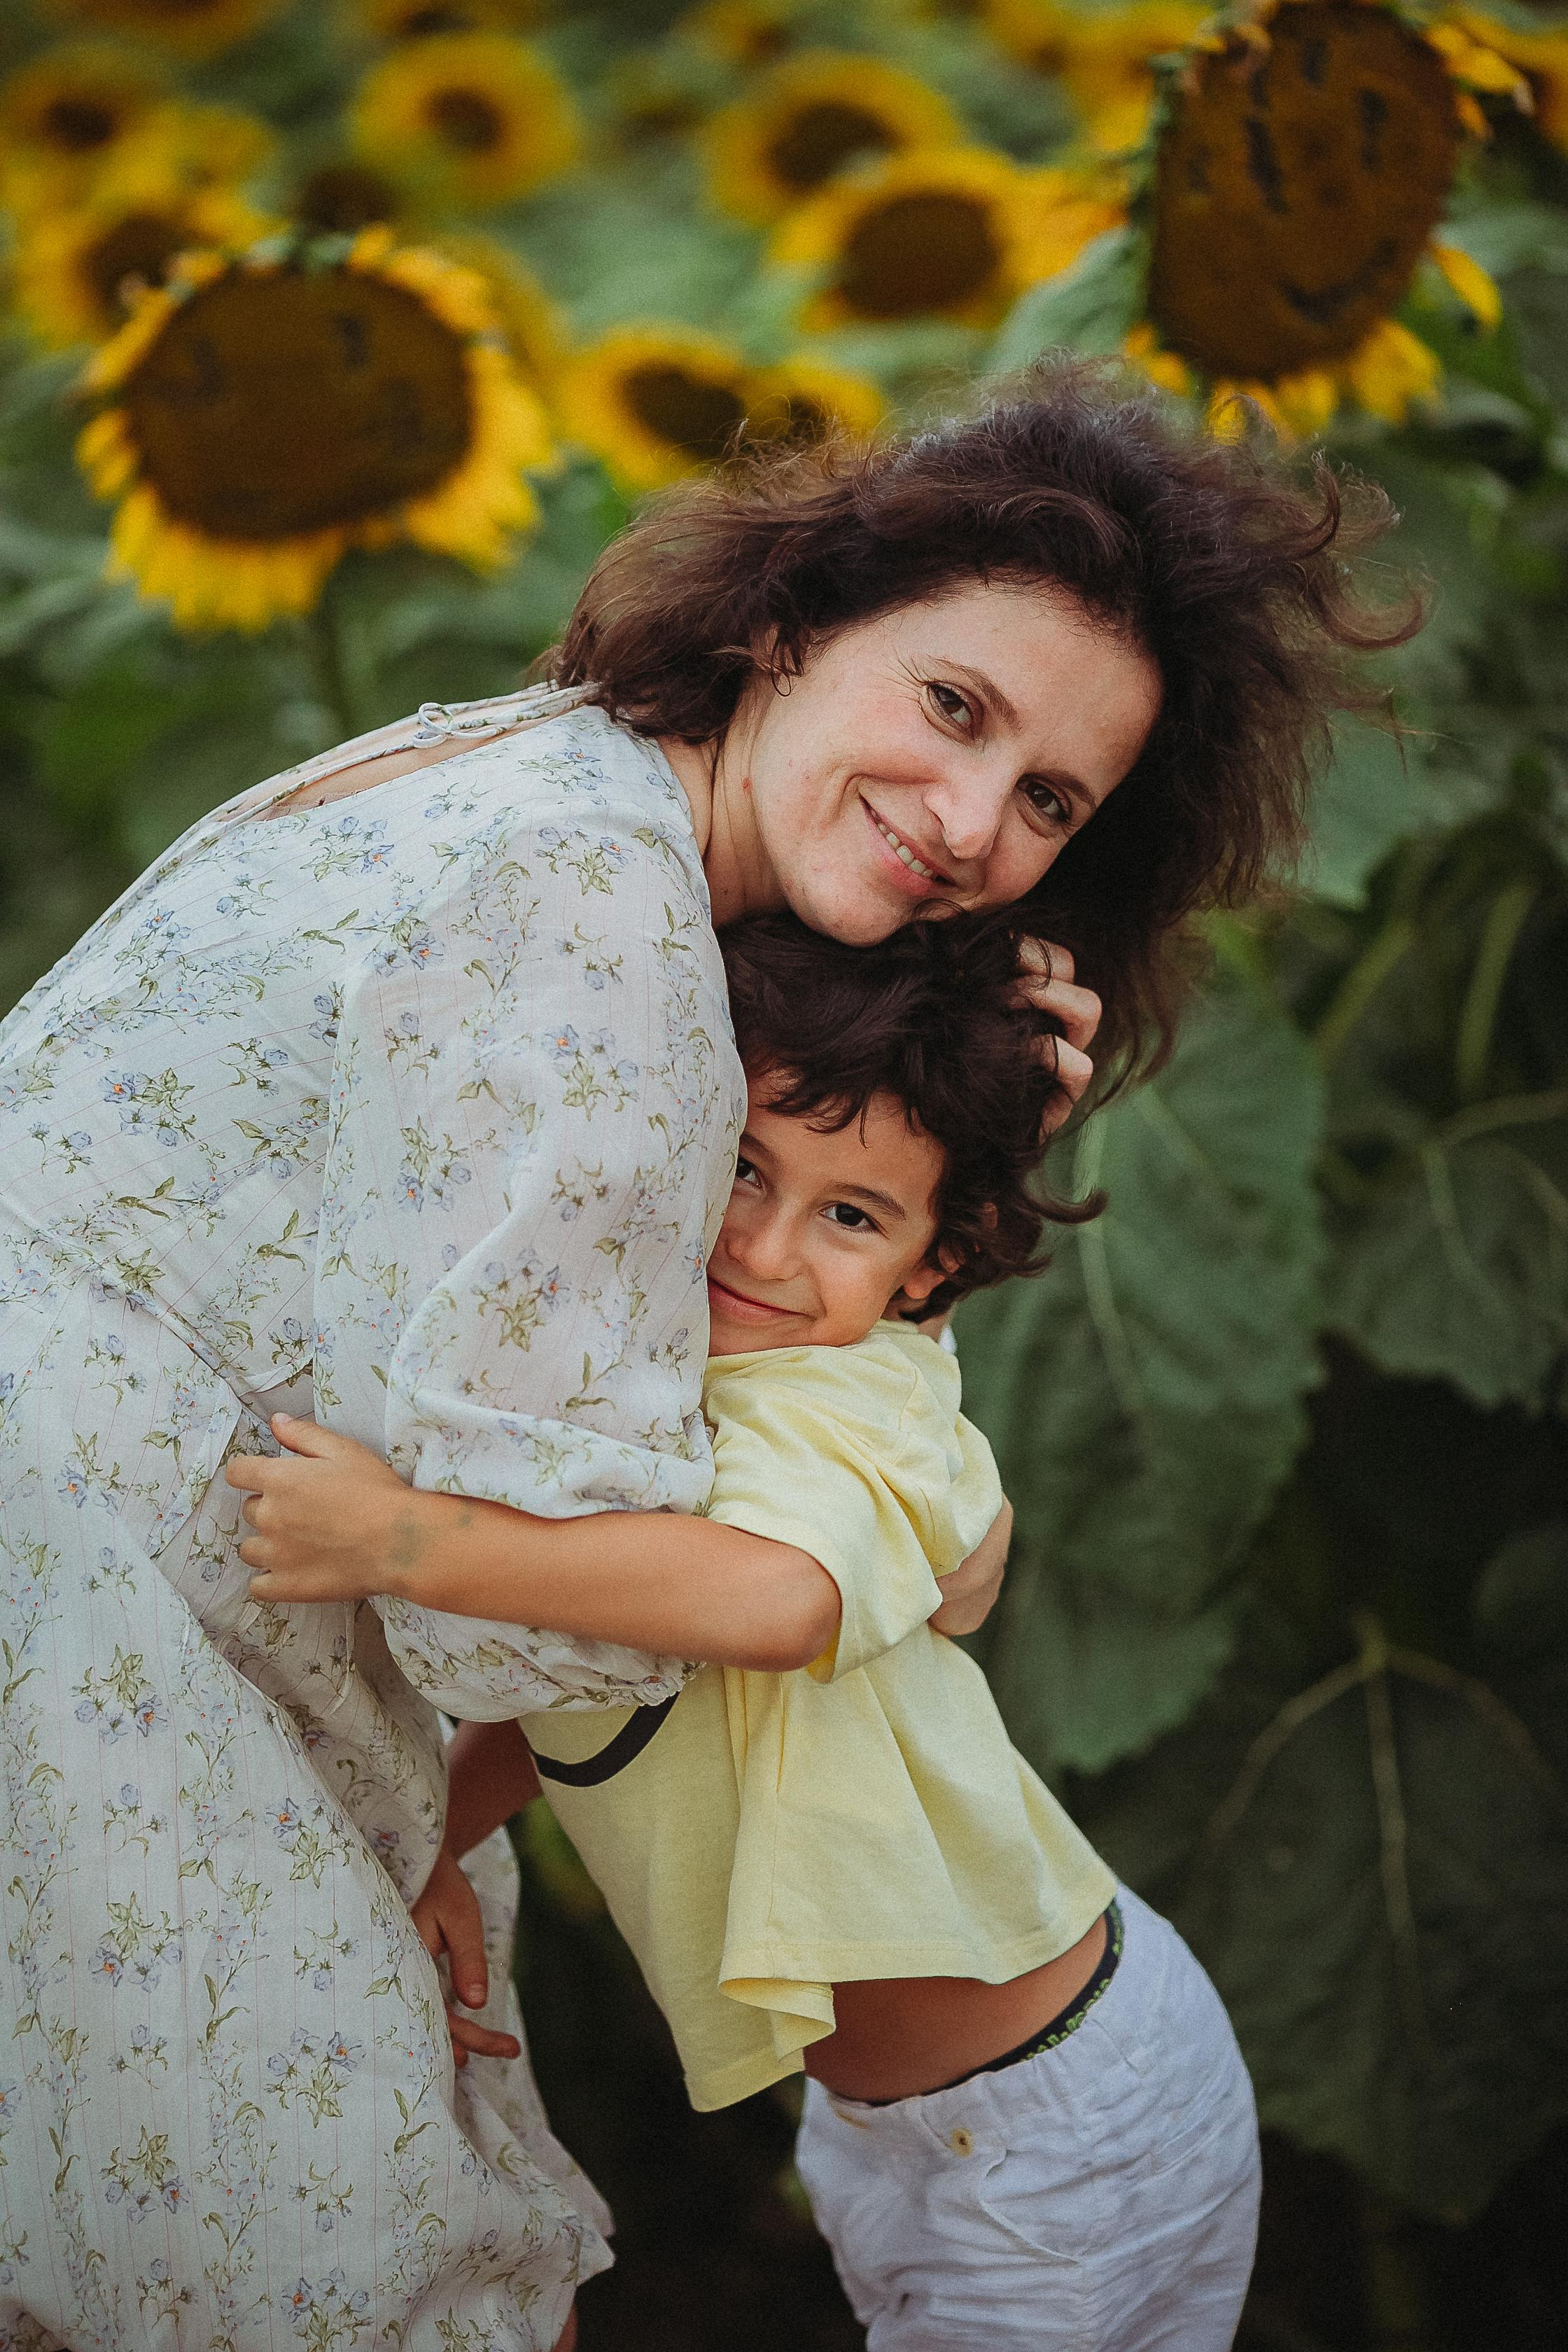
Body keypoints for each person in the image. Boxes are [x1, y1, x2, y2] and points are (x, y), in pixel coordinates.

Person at [0, 364, 1409, 2346]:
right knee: (335, 2276)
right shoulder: (606, 915)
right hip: (117, 1621)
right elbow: (559, 1622)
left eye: (1049, 803)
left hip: (125, 1596)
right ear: (792, 627)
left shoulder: (539, 774)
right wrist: (926, 1536)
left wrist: (938, 1138)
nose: (972, 825)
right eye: (953, 707)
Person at [229, 909, 1261, 2350]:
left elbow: (775, 1603)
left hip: (1060, 2116)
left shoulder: (844, 1406)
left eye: (850, 1213)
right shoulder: (655, 1397)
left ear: (926, 1270)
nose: (766, 1245)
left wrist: (405, 1538)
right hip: (902, 2122)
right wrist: (430, 1834)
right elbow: (601, 1683)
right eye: (740, 1165)